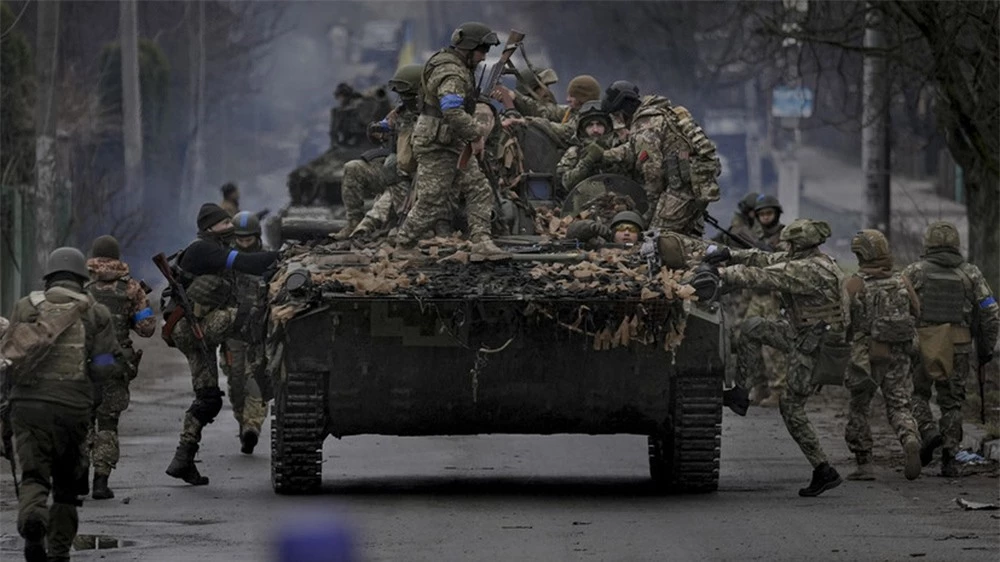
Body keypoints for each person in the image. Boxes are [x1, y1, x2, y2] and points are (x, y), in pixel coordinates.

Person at [701, 219, 846, 496]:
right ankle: (741, 392)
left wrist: (721, 273)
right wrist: (730, 253)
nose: (783, 246)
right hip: (802, 334)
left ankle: (823, 469)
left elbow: (762, 276)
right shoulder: (812, 259)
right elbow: (764, 258)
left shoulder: (807, 270)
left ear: (799, 245)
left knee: (791, 407)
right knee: (753, 328)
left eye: (788, 243)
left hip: (815, 347)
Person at [3, 247, 123, 562]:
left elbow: (9, 358)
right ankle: (58, 551)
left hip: (28, 407)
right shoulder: (96, 313)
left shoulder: (24, 307)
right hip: (73, 408)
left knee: (34, 474)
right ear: (82, 280)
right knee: (68, 486)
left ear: (49, 279)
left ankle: (33, 522)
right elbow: (104, 366)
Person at [164, 203, 279, 485]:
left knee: (208, 399)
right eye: (225, 223)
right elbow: (247, 263)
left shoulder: (208, 246)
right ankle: (268, 377)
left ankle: (183, 458)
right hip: (194, 328)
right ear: (210, 228)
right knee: (250, 318)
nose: (231, 227)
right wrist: (284, 256)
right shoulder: (204, 249)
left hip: (192, 332)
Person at [394, 22, 506, 257]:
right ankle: (404, 244)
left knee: (478, 188)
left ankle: (481, 241)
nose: (484, 56)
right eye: (482, 50)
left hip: (451, 141)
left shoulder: (456, 66)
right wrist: (476, 134)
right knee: (433, 200)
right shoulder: (452, 72)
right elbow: (452, 110)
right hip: (437, 144)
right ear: (468, 48)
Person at [903, 221, 999, 476]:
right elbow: (990, 310)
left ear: (928, 244)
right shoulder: (971, 273)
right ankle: (949, 457)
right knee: (952, 402)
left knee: (917, 394)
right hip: (959, 345)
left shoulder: (914, 272)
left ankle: (928, 431)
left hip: (924, 343)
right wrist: (986, 348)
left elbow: (898, 305)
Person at [842, 229, 922, 481]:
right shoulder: (902, 280)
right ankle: (909, 437)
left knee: (859, 407)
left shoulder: (855, 283)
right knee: (899, 402)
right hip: (900, 350)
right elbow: (916, 311)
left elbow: (844, 321)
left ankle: (864, 463)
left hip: (867, 355)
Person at [84, 235, 156, 500]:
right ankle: (100, 482)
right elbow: (147, 329)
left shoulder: (83, 288)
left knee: (82, 420)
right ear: (117, 257)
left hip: (86, 362)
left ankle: (79, 477)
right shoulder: (131, 289)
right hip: (114, 362)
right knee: (108, 422)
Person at [602, 81, 721, 236]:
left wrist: (646, 215)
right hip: (694, 184)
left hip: (681, 190)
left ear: (625, 109)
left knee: (657, 238)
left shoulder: (645, 124)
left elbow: (653, 174)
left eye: (618, 115)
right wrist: (605, 155)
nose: (620, 121)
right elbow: (634, 149)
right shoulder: (659, 112)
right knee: (680, 236)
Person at [336, 64, 424, 239]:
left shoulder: (433, 114)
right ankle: (354, 222)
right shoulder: (400, 113)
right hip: (395, 169)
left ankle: (400, 227)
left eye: (407, 94)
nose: (403, 99)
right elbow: (381, 126)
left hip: (421, 174)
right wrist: (377, 130)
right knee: (353, 168)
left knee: (394, 181)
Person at [220, 212, 270, 454]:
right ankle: (243, 422)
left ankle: (253, 426)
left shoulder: (268, 257)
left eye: (249, 239)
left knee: (256, 379)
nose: (244, 243)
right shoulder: (227, 259)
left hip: (259, 331)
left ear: (257, 237)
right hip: (232, 331)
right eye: (240, 239)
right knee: (236, 380)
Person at [556, 100, 630, 191]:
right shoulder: (574, 152)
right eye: (590, 125)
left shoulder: (620, 147)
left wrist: (606, 157)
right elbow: (566, 183)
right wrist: (588, 161)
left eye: (599, 124)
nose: (595, 130)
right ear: (583, 130)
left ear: (607, 128)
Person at [565, 210, 646, 248]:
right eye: (621, 228)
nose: (627, 233)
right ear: (613, 233)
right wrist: (589, 226)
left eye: (632, 230)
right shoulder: (600, 244)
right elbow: (571, 234)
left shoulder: (646, 249)